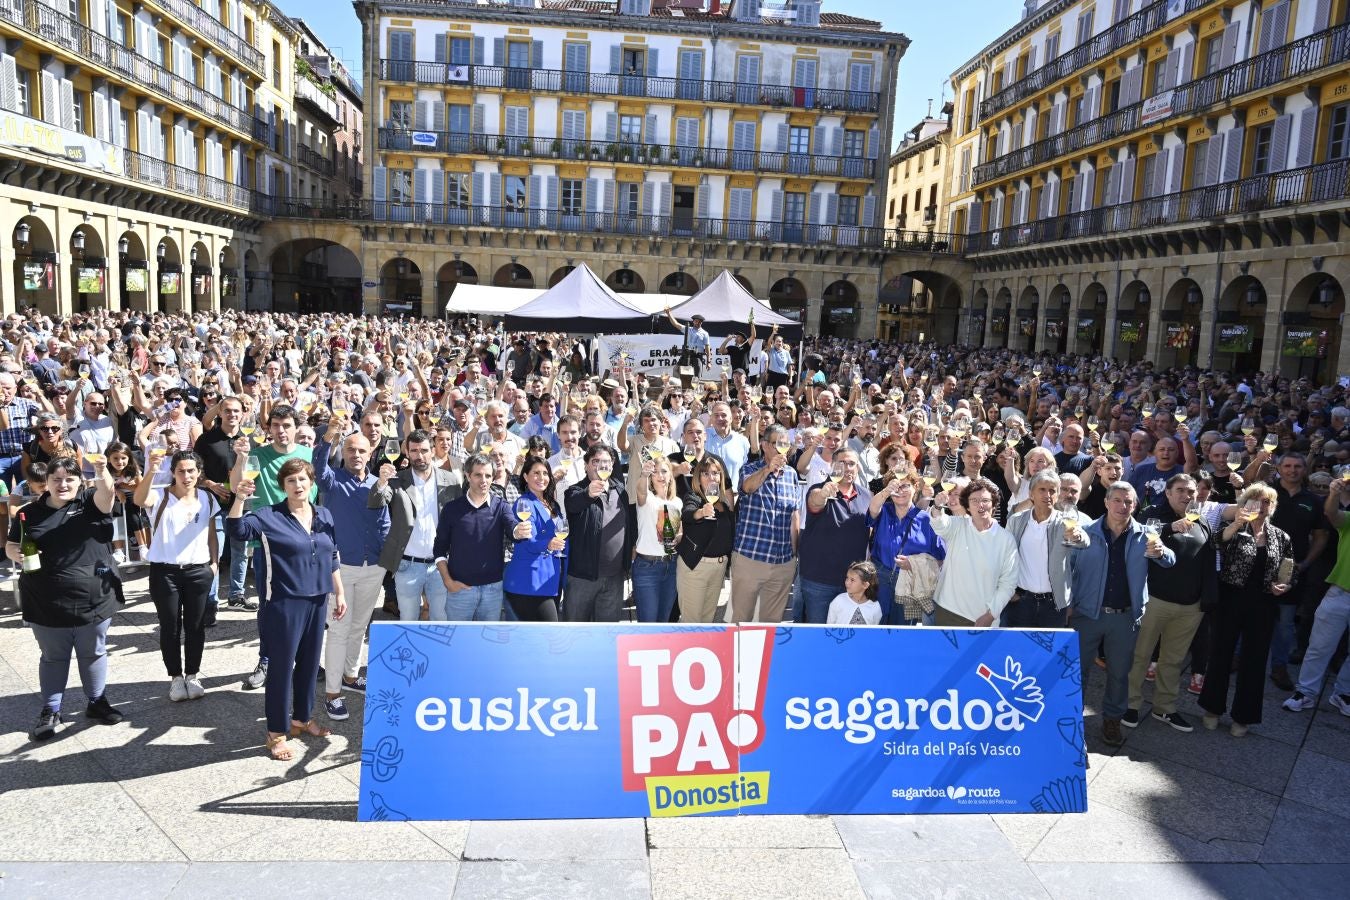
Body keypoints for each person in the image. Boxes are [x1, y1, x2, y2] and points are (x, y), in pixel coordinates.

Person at [228, 459, 345, 761]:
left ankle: (301, 719)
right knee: (280, 669)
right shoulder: (269, 516)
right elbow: (237, 530)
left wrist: (339, 591)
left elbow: (331, 554)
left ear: (312, 482)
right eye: (291, 480)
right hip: (283, 603)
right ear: (284, 485)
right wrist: (239, 498)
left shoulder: (324, 514)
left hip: (317, 600)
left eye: (303, 479)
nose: (298, 485)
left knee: (308, 665)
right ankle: (275, 732)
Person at [7, 456, 124, 740]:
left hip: (93, 595)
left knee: (93, 651)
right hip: (45, 597)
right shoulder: (28, 513)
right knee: (53, 657)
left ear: (80, 482)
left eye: (69, 479)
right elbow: (12, 544)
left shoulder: (90, 504)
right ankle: (51, 710)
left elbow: (107, 493)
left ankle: (97, 702)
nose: (63, 484)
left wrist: (100, 469)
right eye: (56, 479)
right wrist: (14, 554)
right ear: (44, 483)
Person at [1068, 481, 1174, 748]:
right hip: (1086, 614)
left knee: (1119, 672)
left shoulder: (1146, 534)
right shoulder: (1086, 531)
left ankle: (1112, 720)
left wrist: (1161, 553)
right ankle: (1071, 722)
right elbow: (1067, 568)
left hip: (1125, 617)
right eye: (1117, 500)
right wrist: (1067, 603)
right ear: (1106, 502)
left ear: (1135, 505)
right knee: (1077, 672)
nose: (1122, 506)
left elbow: (1170, 559)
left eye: (1128, 501)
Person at [1201, 484, 1295, 736]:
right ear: (1244, 504)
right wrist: (1235, 524)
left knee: (1254, 661)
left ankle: (1243, 716)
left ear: (1272, 507)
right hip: (1230, 599)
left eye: (1266, 502)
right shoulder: (1234, 528)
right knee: (1221, 655)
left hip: (1263, 604)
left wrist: (1284, 585)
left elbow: (1288, 569)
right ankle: (1212, 708)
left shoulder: (1280, 537)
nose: (1260, 506)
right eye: (1254, 501)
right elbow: (1214, 543)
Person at [1123, 474, 1215, 733]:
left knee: (1173, 660)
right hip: (1154, 600)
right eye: (1182, 491)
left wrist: (1206, 599)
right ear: (1169, 493)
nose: (1188, 496)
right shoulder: (1153, 513)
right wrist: (1170, 528)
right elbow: (1137, 535)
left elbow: (1208, 561)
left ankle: (1165, 708)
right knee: (1140, 655)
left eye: (1192, 492)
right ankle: (1129, 704)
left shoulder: (1202, 521)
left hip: (1190, 606)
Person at [229, 403, 311, 690]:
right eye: (276, 425)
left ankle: (304, 657)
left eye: (286, 425)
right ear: (269, 428)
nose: (281, 431)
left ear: (296, 427)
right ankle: (266, 660)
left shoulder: (307, 456)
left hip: (303, 544)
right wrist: (240, 458)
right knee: (268, 605)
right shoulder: (257, 455)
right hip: (269, 543)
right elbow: (234, 485)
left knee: (305, 603)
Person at [312, 429, 390, 721]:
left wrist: (386, 557)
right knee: (340, 629)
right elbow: (318, 468)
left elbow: (384, 522)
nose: (356, 455)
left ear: (371, 453)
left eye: (361, 451)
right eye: (350, 450)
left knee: (359, 626)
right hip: (342, 567)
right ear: (342, 453)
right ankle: (332, 694)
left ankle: (350, 675)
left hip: (374, 567)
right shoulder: (332, 480)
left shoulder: (377, 483)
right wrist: (330, 438)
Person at [134, 450, 219, 703]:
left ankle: (192, 675)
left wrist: (213, 564)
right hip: (165, 572)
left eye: (191, 470)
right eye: (181, 470)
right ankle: (175, 678)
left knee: (195, 626)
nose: (186, 475)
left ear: (199, 472)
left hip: (197, 571)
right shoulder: (160, 495)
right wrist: (151, 469)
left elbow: (212, 534)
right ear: (173, 472)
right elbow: (139, 499)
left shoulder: (207, 498)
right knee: (170, 626)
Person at [369, 429, 464, 621]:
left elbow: (459, 521)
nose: (419, 456)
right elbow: (375, 502)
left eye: (423, 450)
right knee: (408, 622)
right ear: (407, 452)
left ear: (433, 451)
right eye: (414, 451)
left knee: (441, 622)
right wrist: (381, 481)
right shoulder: (397, 480)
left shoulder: (451, 480)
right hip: (407, 565)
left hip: (441, 566)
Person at [1283, 476, 1350, 716]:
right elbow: (1333, 515)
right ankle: (1306, 693)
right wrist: (1333, 494)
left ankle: (1343, 693)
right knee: (1319, 646)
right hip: (1341, 593)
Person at [435, 453, 521, 622]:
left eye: (488, 475)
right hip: (460, 591)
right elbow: (439, 549)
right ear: (467, 475)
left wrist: (519, 531)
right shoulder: (452, 509)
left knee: (487, 645)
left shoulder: (501, 506)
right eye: (478, 475)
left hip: (493, 591)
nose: (484, 480)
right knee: (458, 643)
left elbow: (513, 528)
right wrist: (448, 582)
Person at [729, 425, 800, 624]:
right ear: (764, 445)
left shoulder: (792, 475)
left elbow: (794, 515)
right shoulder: (750, 469)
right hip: (751, 557)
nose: (781, 448)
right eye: (777, 443)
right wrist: (768, 469)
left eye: (785, 443)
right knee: (741, 620)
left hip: (783, 562)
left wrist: (794, 556)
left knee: (772, 623)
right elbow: (747, 488)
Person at [1003, 470, 1088, 629]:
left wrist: (1077, 536)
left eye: (1052, 490)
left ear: (1056, 496)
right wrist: (1010, 592)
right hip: (1020, 601)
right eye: (1042, 489)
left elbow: (1084, 541)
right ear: (1031, 494)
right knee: (1018, 651)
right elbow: (1003, 556)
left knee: (1049, 652)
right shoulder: (1016, 521)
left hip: (1054, 604)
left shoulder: (1065, 521)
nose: (1047, 494)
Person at [929, 478, 1019, 627]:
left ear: (994, 505)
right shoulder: (957, 525)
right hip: (948, 611)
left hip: (985, 619)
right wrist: (937, 507)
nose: (980, 505)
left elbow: (1008, 584)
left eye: (985, 500)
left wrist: (990, 615)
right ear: (968, 506)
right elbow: (939, 523)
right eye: (974, 500)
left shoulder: (1006, 540)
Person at [799, 448, 872, 623]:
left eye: (852, 464)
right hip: (819, 581)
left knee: (846, 637)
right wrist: (824, 494)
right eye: (842, 463)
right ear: (832, 465)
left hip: (853, 583)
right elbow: (815, 501)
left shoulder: (867, 495)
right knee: (818, 635)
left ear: (858, 468)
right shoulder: (818, 489)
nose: (847, 468)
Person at [563, 444, 634, 622]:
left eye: (606, 462)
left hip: (614, 577)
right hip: (583, 577)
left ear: (612, 466)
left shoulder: (620, 490)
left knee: (607, 632)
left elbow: (629, 524)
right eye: (595, 461)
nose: (601, 466)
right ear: (586, 465)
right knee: (575, 631)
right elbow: (573, 504)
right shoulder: (575, 491)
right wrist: (588, 494)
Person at [867, 469, 945, 625]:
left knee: (901, 633)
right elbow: (873, 508)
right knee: (874, 629)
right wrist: (886, 491)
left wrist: (915, 564)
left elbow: (940, 559)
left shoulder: (926, 520)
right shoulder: (884, 511)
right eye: (896, 486)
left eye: (906, 486)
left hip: (908, 585)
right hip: (879, 582)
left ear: (916, 487)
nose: (900, 491)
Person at [503, 457, 567, 621]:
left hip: (550, 580)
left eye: (545, 473)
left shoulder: (552, 503)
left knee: (539, 639)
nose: (542, 477)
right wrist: (549, 543)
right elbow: (528, 541)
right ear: (525, 476)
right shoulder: (524, 503)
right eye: (536, 473)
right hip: (528, 582)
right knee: (549, 634)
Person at [676, 454, 736, 623]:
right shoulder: (693, 497)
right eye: (706, 473)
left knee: (707, 620)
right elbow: (687, 514)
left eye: (715, 473)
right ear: (698, 477)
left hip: (718, 568)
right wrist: (701, 512)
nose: (711, 477)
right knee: (691, 621)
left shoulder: (724, 503)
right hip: (695, 567)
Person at [632, 455, 682, 623]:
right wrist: (644, 474)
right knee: (647, 623)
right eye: (655, 472)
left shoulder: (677, 502)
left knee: (664, 622)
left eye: (664, 471)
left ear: (670, 475)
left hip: (671, 565)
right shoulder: (647, 500)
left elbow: (679, 531)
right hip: (647, 567)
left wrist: (678, 538)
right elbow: (640, 490)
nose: (660, 476)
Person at [0, 371, 43, 488]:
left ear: (15, 389)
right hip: (1, 457)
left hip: (23, 456)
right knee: (1, 496)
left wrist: (40, 394)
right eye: (1, 388)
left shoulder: (25, 403)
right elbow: (4, 427)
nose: (4, 392)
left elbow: (50, 415)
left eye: (8, 388)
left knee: (27, 490)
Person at [826, 561, 883, 625]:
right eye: (847, 578)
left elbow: (874, 632)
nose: (847, 582)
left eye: (852, 580)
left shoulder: (875, 607)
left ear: (865, 585)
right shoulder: (838, 601)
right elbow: (829, 628)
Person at [665, 308, 711, 377]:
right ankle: (678, 385)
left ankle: (695, 385)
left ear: (701, 323)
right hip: (686, 355)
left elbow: (707, 348)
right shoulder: (687, 329)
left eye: (699, 322)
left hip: (697, 356)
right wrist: (669, 313)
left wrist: (708, 362)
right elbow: (675, 324)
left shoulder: (705, 333)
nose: (697, 323)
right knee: (676, 369)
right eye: (696, 321)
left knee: (697, 375)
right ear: (693, 321)